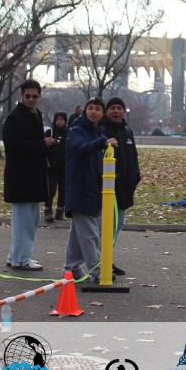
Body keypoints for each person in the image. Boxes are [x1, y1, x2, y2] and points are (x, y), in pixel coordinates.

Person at [63, 98, 118, 283]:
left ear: (102, 113)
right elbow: (80, 149)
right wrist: (102, 142)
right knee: (90, 233)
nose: (94, 112)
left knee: (78, 235)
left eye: (97, 109)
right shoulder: (76, 131)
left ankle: (71, 269)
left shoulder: (98, 133)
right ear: (85, 111)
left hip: (92, 189)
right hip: (80, 189)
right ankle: (97, 270)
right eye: (91, 108)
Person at [2, 79, 52, 271]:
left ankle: (15, 254)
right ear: (21, 95)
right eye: (28, 96)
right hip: (20, 177)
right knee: (23, 222)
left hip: (34, 176)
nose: (31, 99)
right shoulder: (14, 117)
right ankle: (21, 259)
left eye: (35, 96)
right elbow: (13, 146)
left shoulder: (36, 114)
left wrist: (44, 144)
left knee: (31, 220)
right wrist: (41, 144)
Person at [102, 97, 141, 275]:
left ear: (124, 111)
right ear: (107, 111)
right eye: (112, 108)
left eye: (119, 108)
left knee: (117, 226)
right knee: (105, 227)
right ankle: (101, 263)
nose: (116, 111)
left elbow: (133, 156)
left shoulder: (127, 131)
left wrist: (136, 176)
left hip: (125, 188)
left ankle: (107, 259)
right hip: (108, 188)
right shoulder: (102, 131)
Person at [45, 112, 68, 223]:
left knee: (63, 190)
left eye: (62, 119)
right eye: (57, 119)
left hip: (64, 167)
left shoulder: (68, 133)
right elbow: (44, 147)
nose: (59, 122)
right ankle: (48, 211)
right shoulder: (50, 132)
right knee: (51, 190)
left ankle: (60, 212)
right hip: (51, 167)